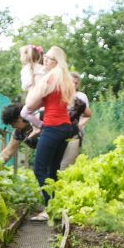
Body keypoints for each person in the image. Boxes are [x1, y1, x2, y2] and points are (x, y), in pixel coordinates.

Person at [25, 46, 76, 221]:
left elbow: (30, 103)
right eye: (45, 57)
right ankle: (54, 206)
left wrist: (33, 91)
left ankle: (49, 209)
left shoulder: (50, 78)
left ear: (57, 62)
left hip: (53, 126)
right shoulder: (64, 78)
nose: (45, 60)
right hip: (65, 127)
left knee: (39, 168)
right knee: (52, 169)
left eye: (49, 58)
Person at [59, 72, 92, 170]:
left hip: (75, 134)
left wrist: (80, 125)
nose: (73, 85)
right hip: (60, 132)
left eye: (76, 83)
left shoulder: (81, 96)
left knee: (67, 164)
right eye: (71, 82)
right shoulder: (60, 95)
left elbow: (87, 115)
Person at [18, 44, 45, 130]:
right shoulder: (42, 67)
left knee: (24, 113)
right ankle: (36, 128)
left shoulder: (25, 69)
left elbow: (25, 86)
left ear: (26, 57)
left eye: (21, 55)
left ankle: (40, 126)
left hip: (35, 96)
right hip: (44, 95)